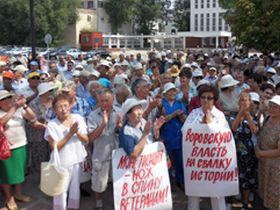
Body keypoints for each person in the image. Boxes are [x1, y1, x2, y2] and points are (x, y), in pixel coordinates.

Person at [183, 84, 229, 210]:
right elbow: (184, 131)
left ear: (214, 100)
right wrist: (201, 126)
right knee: (194, 194)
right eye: (203, 97)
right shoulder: (193, 114)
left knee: (217, 193)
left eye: (209, 98)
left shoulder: (219, 115)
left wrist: (209, 126)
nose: (205, 100)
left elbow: (225, 137)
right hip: (196, 161)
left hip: (214, 162)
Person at [44, 93, 89, 210]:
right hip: (62, 163)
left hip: (77, 160)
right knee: (60, 190)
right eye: (59, 107)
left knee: (75, 188)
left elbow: (86, 140)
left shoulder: (78, 118)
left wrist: (77, 132)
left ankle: (73, 207)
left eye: (65, 105)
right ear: (54, 110)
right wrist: (70, 133)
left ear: (70, 106)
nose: (63, 109)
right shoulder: (52, 125)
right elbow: (54, 148)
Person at [0, 91, 37, 210]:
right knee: (5, 175)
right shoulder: (3, 113)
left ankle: (18, 194)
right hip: (5, 149)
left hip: (20, 145)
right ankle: (9, 198)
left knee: (19, 173)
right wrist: (15, 106)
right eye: (3, 99)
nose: (6, 101)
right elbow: (2, 122)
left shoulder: (18, 110)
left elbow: (32, 117)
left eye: (8, 98)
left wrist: (24, 105)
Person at [87, 89, 121, 210]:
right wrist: (103, 124)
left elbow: (122, 132)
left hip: (117, 154)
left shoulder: (119, 112)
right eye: (101, 101)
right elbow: (91, 137)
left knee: (119, 180)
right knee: (99, 183)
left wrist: (119, 127)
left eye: (107, 100)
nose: (104, 103)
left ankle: (119, 202)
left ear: (112, 99)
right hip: (100, 154)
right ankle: (99, 203)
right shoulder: (93, 115)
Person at [230, 92, 258, 209]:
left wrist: (247, 115)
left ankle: (245, 203)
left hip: (248, 151)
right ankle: (234, 198)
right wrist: (240, 114)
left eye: (246, 100)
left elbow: (254, 130)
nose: (244, 102)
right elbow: (234, 128)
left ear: (250, 102)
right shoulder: (233, 115)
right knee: (234, 174)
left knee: (247, 176)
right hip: (234, 150)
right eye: (242, 100)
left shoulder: (254, 116)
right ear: (238, 102)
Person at [255, 95, 280, 210]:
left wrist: (260, 153)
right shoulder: (268, 118)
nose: (272, 109)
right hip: (264, 164)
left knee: (274, 195)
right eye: (270, 106)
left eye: (275, 107)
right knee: (265, 192)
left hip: (275, 167)